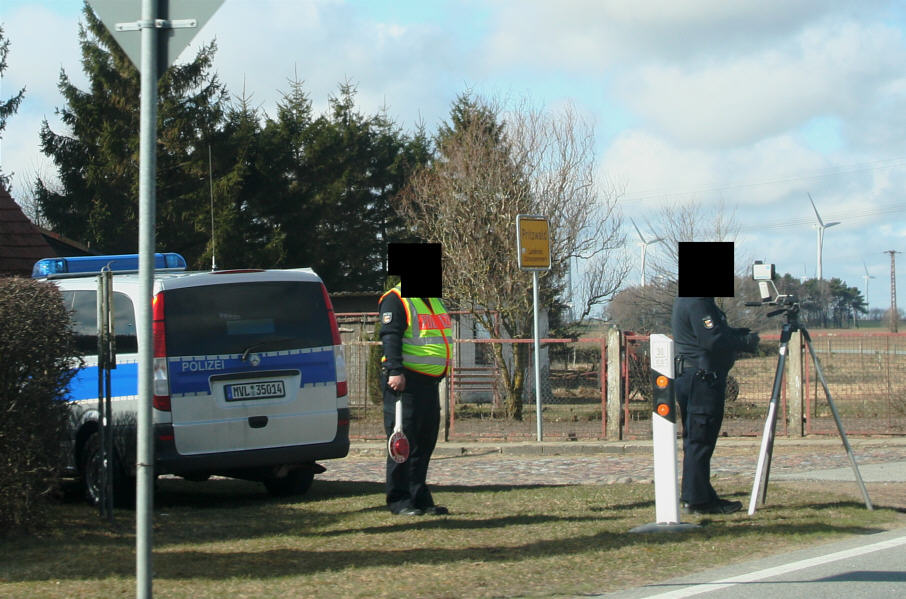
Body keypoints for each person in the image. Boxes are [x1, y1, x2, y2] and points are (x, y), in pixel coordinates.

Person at [671, 296, 759, 514]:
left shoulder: (692, 300)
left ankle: (699, 494)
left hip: (694, 376)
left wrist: (735, 334)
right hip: (701, 378)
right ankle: (699, 500)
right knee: (700, 439)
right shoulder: (697, 301)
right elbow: (712, 339)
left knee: (695, 439)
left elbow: (711, 333)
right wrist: (743, 342)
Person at [378, 282, 452, 516]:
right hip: (405, 383)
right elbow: (390, 336)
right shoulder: (396, 299)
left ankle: (419, 496)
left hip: (429, 384)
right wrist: (394, 370)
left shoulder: (433, 299)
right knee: (402, 444)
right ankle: (399, 500)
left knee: (424, 443)